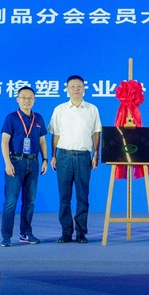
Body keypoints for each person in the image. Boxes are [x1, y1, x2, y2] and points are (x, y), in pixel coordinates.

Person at [48, 75, 102, 244]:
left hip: (83, 157)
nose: (76, 89)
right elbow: (55, 135)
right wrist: (53, 155)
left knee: (82, 197)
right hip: (64, 156)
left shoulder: (92, 109)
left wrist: (96, 154)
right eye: (72, 86)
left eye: (79, 86)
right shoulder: (60, 109)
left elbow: (96, 133)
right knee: (64, 197)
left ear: (84, 88)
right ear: (67, 89)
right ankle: (66, 232)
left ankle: (80, 233)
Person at [0, 86, 48, 247]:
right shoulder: (11, 118)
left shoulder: (38, 118)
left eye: (30, 98)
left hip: (33, 162)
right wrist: (7, 163)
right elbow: (4, 141)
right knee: (11, 202)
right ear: (17, 99)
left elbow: (42, 141)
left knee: (30, 201)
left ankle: (26, 233)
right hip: (16, 162)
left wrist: (45, 159)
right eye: (24, 97)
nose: (27, 101)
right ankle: (6, 236)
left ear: (34, 100)